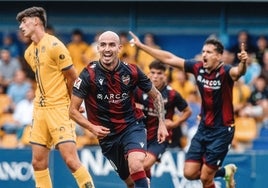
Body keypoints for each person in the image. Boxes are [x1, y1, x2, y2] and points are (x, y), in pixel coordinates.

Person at [129, 31, 248, 188]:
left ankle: (219, 175)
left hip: (222, 131)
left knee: (206, 178)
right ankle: (226, 172)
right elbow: (169, 58)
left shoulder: (225, 71)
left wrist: (243, 63)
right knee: (189, 173)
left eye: (209, 52)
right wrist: (142, 46)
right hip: (203, 128)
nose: (204, 54)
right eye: (203, 51)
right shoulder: (198, 68)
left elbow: (238, 72)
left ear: (219, 56)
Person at [69, 30, 168, 188]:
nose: (107, 49)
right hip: (108, 136)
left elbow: (156, 95)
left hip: (132, 126)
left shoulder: (132, 71)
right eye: (103, 45)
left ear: (119, 48)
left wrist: (161, 124)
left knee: (136, 165)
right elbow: (72, 111)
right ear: (98, 48)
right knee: (130, 182)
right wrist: (92, 127)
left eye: (111, 45)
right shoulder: (88, 74)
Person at [16, 6, 95, 188]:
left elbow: (73, 78)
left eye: (24, 21)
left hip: (59, 109)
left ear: (36, 21)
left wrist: (74, 104)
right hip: (39, 110)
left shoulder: (55, 46)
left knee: (70, 160)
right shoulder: (29, 53)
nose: (21, 26)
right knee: (37, 163)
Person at [134, 60, 192, 182]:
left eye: (159, 73)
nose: (155, 76)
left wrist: (175, 124)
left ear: (165, 76)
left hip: (160, 138)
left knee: (142, 166)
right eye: (152, 72)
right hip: (140, 135)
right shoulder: (139, 91)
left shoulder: (172, 94)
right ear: (148, 74)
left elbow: (188, 111)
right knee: (140, 169)